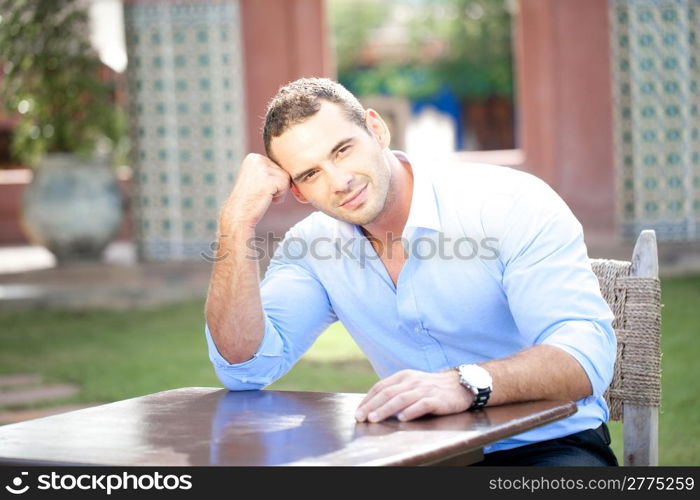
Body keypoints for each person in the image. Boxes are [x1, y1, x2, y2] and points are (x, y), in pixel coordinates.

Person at [203, 77, 619, 466]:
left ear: (376, 129)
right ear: (296, 190)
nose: (340, 181)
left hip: (548, 446)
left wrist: (464, 383)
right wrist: (235, 223)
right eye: (311, 174)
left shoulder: (508, 203)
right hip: (420, 455)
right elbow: (244, 367)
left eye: (342, 150)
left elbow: (586, 356)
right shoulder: (311, 248)